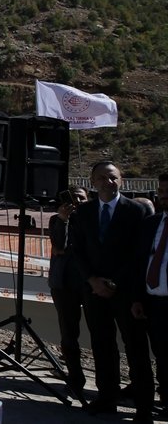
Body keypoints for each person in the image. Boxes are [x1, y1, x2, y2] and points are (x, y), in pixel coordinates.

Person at [69, 161, 154, 421]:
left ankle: (143, 407)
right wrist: (92, 280)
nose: (108, 182)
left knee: (136, 348)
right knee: (102, 346)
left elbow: (140, 255)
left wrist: (115, 282)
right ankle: (107, 398)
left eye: (113, 177)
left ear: (122, 180)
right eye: (102, 178)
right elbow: (77, 250)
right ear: (92, 182)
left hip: (127, 293)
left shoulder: (136, 212)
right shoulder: (83, 213)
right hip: (94, 292)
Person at [132, 172, 168, 415]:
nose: (164, 197)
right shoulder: (151, 224)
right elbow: (138, 263)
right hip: (153, 303)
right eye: (162, 192)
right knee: (162, 356)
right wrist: (137, 298)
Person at [49, 186, 88, 397]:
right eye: (72, 199)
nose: (76, 203)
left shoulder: (92, 219)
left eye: (81, 198)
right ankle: (75, 378)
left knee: (101, 335)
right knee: (68, 335)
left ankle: (107, 383)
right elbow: (59, 245)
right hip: (63, 284)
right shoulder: (57, 221)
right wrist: (63, 220)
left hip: (89, 283)